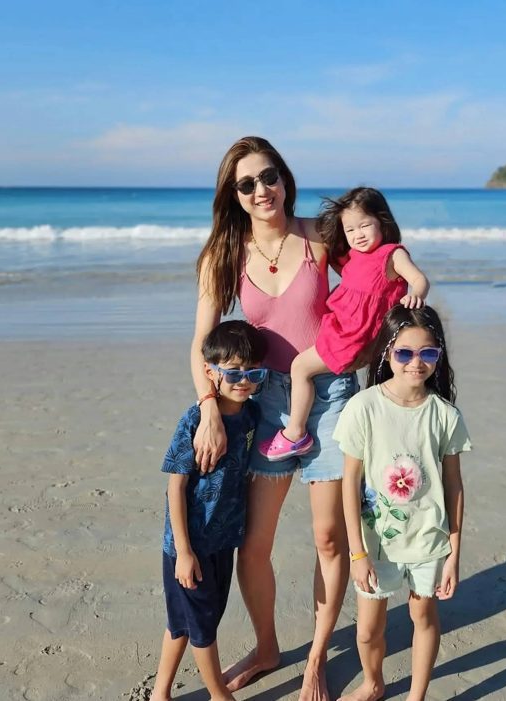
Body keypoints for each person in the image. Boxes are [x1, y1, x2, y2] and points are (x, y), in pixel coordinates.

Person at [191, 136, 359, 701]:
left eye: (269, 177)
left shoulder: (320, 235)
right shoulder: (223, 255)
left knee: (329, 537)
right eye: (247, 184)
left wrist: (371, 344)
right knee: (254, 543)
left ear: (285, 179)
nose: (261, 190)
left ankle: (315, 659)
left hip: (331, 396)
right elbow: (200, 344)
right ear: (233, 195)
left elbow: (374, 280)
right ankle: (267, 649)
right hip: (264, 404)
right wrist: (209, 407)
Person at [334, 305, 471, 701]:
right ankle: (372, 682)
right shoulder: (364, 407)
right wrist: (357, 553)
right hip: (376, 543)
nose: (416, 362)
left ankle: (416, 695)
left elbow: (454, 486)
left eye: (427, 352)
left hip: (428, 539)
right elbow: (350, 483)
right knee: (367, 630)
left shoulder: (445, 415)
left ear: (438, 355)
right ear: (387, 353)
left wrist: (453, 553)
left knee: (422, 615)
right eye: (404, 352)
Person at [258, 187, 429, 461]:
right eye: (350, 230)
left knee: (300, 367)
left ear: (382, 222)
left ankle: (295, 433)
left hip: (353, 338)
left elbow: (419, 279)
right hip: (341, 329)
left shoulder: (392, 254)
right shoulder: (355, 257)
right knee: (305, 367)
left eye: (365, 225)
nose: (358, 235)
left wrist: (415, 295)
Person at [152, 320, 266, 701]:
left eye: (253, 372)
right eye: (233, 372)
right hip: (190, 546)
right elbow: (175, 487)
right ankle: (219, 695)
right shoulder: (194, 421)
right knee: (202, 626)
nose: (243, 381)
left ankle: (160, 692)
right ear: (210, 371)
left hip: (223, 541)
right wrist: (184, 552)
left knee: (185, 622)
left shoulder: (251, 416)